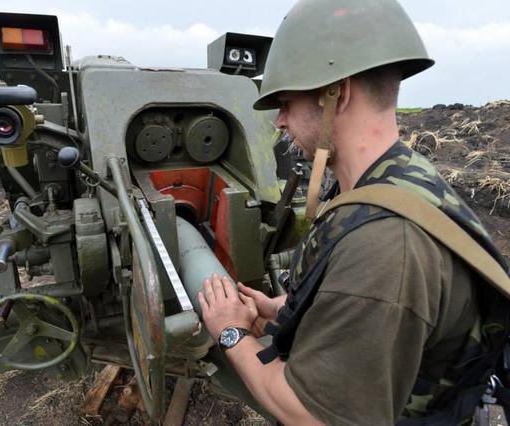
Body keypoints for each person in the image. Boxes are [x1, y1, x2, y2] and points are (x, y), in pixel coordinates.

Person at [198, 0, 509, 424]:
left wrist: (229, 331)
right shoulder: (400, 177)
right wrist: (289, 307)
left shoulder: (384, 245)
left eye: (286, 103)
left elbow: (315, 417)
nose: (280, 122)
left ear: (335, 95)